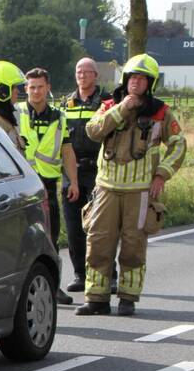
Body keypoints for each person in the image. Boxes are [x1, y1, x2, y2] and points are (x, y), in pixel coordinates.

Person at [76, 54, 187, 316]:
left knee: (133, 246)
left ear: (151, 83)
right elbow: (93, 131)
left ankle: (128, 298)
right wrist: (122, 108)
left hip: (139, 191)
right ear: (125, 80)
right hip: (106, 188)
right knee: (98, 243)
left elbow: (179, 144)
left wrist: (162, 174)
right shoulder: (109, 105)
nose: (135, 83)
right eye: (132, 78)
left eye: (141, 79)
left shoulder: (161, 112)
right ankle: (96, 299)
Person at [16, 67, 79, 305]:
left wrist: (72, 181)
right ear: (25, 89)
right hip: (22, 187)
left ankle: (53, 288)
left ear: (48, 88)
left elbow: (67, 151)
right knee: (22, 239)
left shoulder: (59, 117)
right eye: (31, 87)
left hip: (49, 186)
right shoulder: (17, 113)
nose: (36, 91)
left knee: (51, 239)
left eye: (40, 87)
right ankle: (21, 288)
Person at [62, 58, 114, 295]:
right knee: (74, 227)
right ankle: (80, 275)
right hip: (72, 171)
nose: (82, 76)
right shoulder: (67, 102)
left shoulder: (108, 101)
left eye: (86, 72)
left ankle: (108, 275)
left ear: (95, 75)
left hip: (99, 171)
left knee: (100, 226)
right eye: (78, 72)